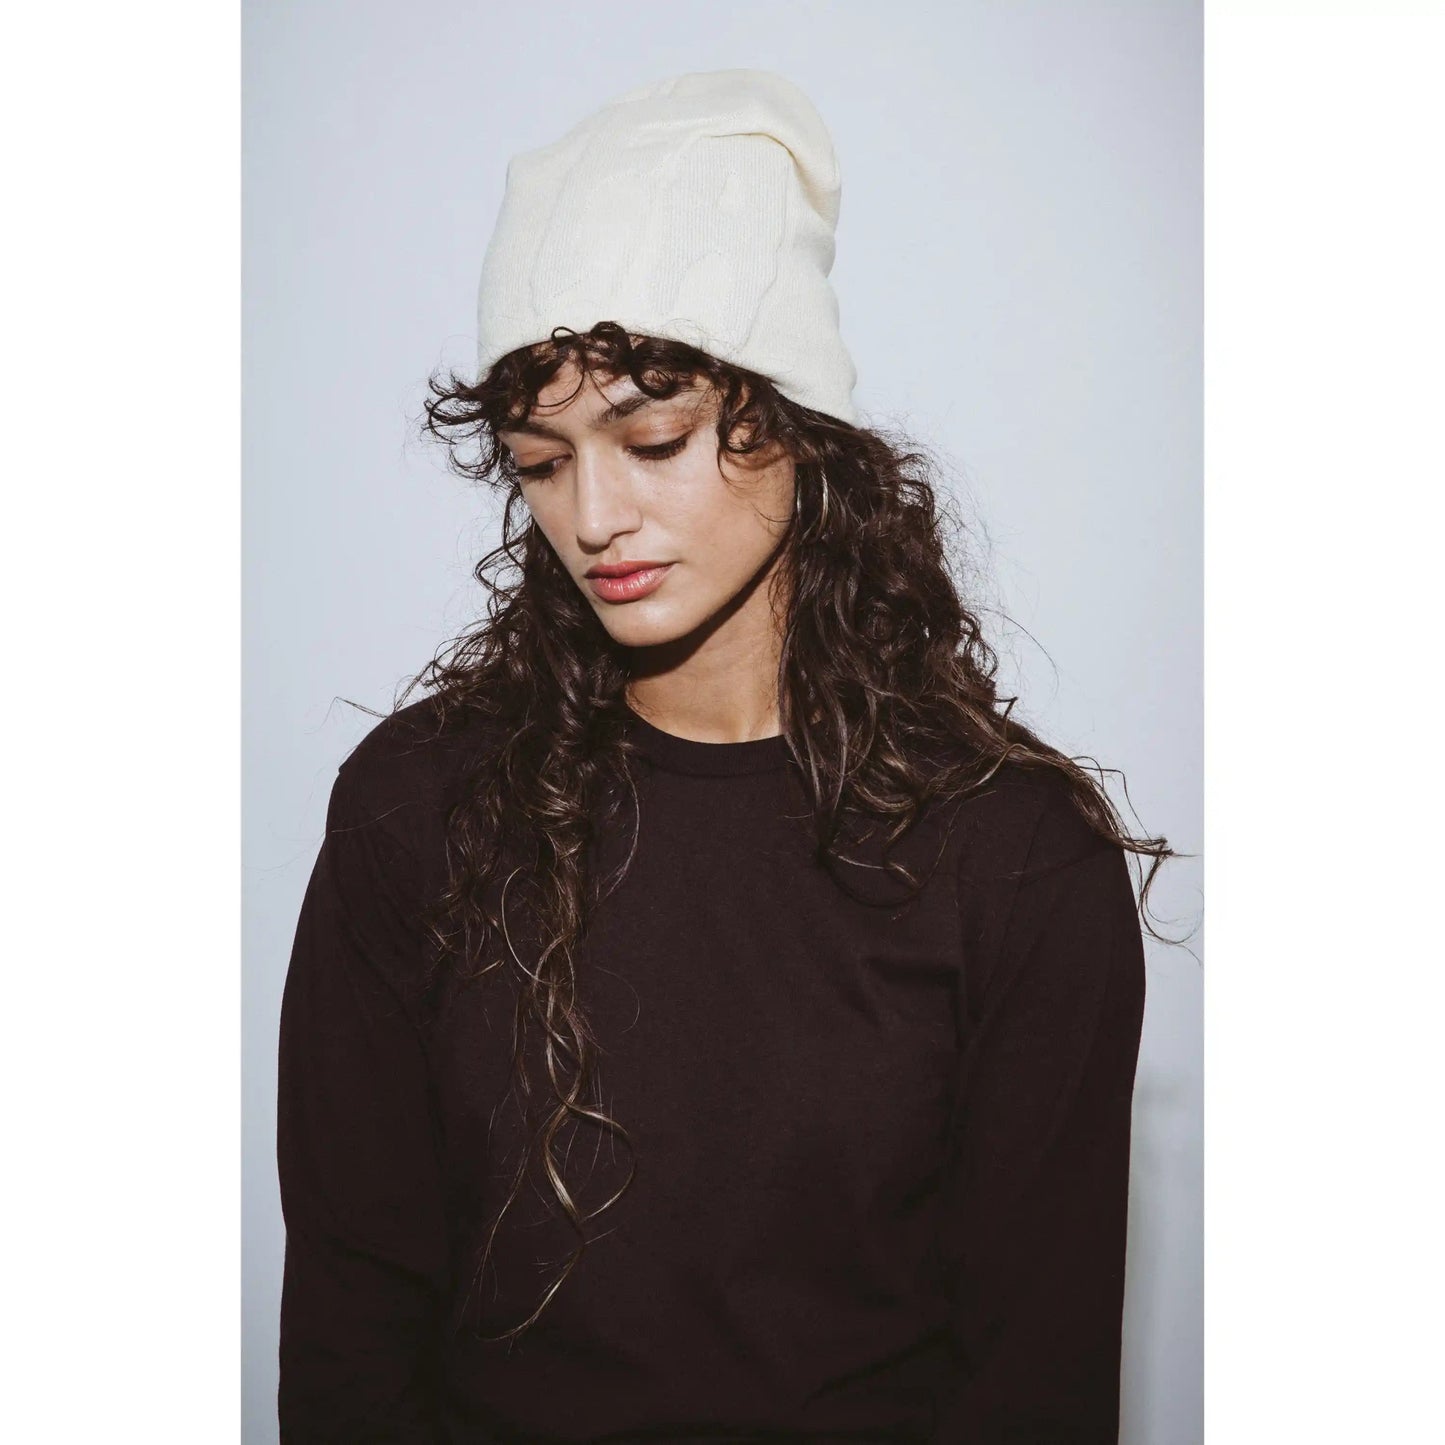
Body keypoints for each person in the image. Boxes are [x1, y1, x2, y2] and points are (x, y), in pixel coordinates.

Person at [275, 68, 1172, 1444]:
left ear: (795, 422)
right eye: (539, 459)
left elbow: (1033, 1389)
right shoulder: (420, 808)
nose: (593, 515)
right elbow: (351, 1331)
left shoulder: (1014, 860)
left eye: (653, 438)